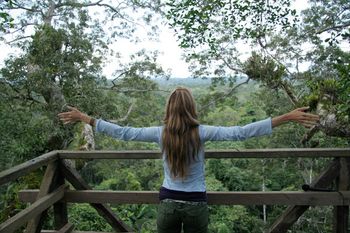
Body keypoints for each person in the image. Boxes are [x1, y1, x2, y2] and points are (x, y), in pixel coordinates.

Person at [58, 87, 319, 233]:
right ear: (192, 108)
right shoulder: (202, 132)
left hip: (168, 204)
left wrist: (87, 119)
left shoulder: (159, 134)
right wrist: (284, 118)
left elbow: (124, 132)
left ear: (169, 108)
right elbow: (241, 132)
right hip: (196, 205)